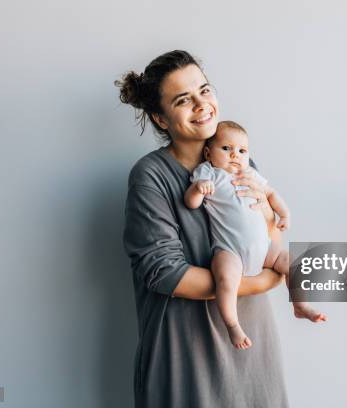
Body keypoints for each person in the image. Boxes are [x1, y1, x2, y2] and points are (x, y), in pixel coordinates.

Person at [116, 50, 289, 407]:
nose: (201, 104)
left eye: (205, 90)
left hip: (254, 347)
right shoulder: (151, 176)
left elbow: (268, 236)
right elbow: (166, 274)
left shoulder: (239, 157)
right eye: (183, 100)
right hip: (186, 353)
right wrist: (265, 281)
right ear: (160, 119)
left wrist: (271, 220)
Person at [185, 121, 327, 350]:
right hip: (230, 250)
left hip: (264, 248)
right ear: (208, 152)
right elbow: (191, 204)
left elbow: (271, 193)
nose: (235, 155)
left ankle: (300, 303)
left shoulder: (249, 172)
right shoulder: (208, 173)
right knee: (226, 279)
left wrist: (284, 214)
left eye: (242, 150)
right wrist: (198, 189)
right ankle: (232, 325)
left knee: (292, 261)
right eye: (226, 148)